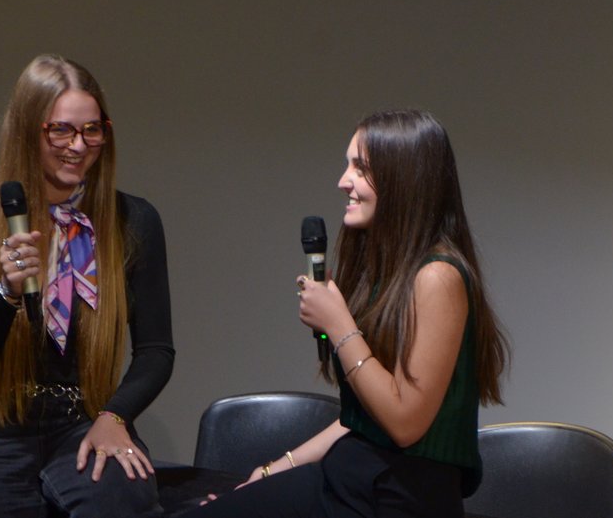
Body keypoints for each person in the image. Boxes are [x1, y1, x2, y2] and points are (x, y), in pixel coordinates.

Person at [185, 109, 510, 518]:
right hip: (349, 477)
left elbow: (405, 423)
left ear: (403, 180)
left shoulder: (439, 277)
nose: (344, 181)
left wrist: (339, 325)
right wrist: (271, 472)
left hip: (398, 496)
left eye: (361, 167)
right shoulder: (391, 274)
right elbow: (360, 422)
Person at [0, 55, 175, 518]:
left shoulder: (134, 221)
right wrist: (6, 291)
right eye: (61, 131)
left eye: (92, 131)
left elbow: (156, 351)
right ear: (29, 132)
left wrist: (115, 416)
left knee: (125, 501)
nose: (78, 146)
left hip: (82, 419)